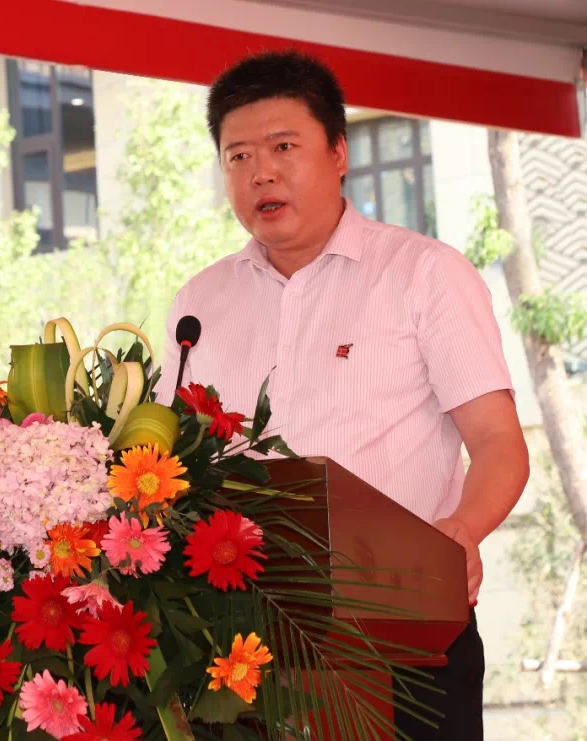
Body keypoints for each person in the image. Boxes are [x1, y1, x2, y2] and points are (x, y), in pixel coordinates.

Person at [154, 50, 530, 740]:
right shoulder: (199, 304)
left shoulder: (423, 274)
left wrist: (463, 529)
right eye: (238, 157)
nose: (261, 172)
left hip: (404, 629)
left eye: (283, 147)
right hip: (240, 648)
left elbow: (499, 441)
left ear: (338, 154)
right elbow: (169, 465)